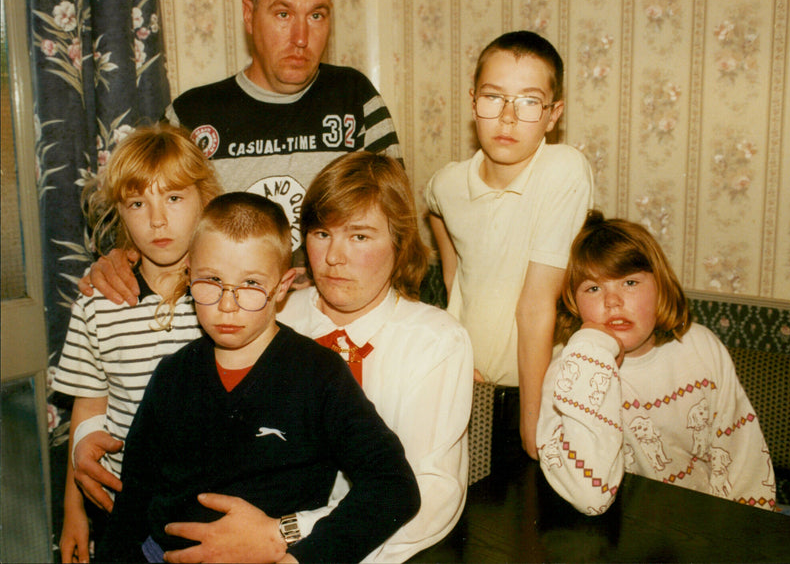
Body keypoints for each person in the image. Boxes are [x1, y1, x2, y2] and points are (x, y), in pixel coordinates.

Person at [159, 152, 473, 563]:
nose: (334, 257)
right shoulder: (267, 309)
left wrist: (286, 536)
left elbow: (428, 496)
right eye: (322, 233)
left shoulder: (435, 340)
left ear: (399, 241)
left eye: (359, 236)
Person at [96, 192, 420, 562]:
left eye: (250, 284)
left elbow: (394, 487)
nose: (227, 304)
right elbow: (133, 502)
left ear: (282, 287)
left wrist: (304, 559)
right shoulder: (172, 375)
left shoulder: (320, 376)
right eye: (211, 281)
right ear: (188, 276)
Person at [78, 0, 402, 306]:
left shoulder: (355, 97)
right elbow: (148, 215)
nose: (300, 38)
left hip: (332, 320)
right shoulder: (191, 115)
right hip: (230, 321)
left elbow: (395, 226)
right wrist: (119, 258)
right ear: (249, 15)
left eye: (316, 15)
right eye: (283, 14)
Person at [51, 124, 223, 563]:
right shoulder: (96, 305)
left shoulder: (228, 300)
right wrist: (75, 513)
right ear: (119, 213)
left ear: (205, 198)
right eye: (137, 203)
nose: (157, 219)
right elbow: (89, 412)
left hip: (210, 510)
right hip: (123, 508)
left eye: (174, 197)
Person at [425, 31, 594, 462]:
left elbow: (536, 304)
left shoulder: (563, 170)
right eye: (493, 97)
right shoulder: (448, 183)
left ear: (554, 115)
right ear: (472, 101)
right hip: (463, 384)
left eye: (528, 102)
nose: (507, 118)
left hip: (542, 390)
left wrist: (533, 421)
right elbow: (437, 211)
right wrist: (456, 334)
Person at [536, 212, 776, 515]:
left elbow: (743, 455)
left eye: (630, 282)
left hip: (707, 521)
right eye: (593, 289)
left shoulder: (700, 347)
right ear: (572, 301)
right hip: (617, 530)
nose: (612, 302)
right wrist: (592, 352)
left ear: (660, 286)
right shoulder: (570, 372)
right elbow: (589, 495)